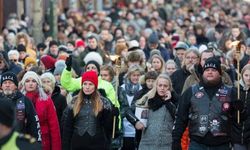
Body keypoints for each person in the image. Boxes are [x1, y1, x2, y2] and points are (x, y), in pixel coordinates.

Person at [172, 57, 237, 150]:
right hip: (197, 144)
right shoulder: (191, 91)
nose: (210, 72)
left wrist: (241, 110)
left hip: (222, 144)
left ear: (220, 73)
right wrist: (176, 140)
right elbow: (180, 118)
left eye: (214, 70)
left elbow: (238, 120)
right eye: (207, 70)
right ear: (203, 73)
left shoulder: (231, 92)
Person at [62, 71, 113, 150]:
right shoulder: (75, 101)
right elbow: (68, 127)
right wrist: (65, 147)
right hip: (77, 144)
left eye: (90, 84)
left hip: (97, 144)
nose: (87, 87)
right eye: (85, 84)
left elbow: (108, 127)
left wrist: (113, 113)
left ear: (95, 86)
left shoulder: (103, 102)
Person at [20, 71, 61, 150]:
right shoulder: (19, 100)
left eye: (33, 81)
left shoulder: (46, 100)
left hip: (43, 142)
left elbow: (54, 126)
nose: (31, 83)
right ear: (24, 84)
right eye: (27, 81)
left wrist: (56, 148)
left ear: (37, 83)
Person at [0, 72, 41, 141]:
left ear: (16, 86)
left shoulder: (24, 100)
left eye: (10, 83)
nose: (7, 85)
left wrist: (35, 143)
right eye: (5, 83)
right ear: (1, 86)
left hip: (20, 142)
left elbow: (33, 124)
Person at [231, 64, 250, 150]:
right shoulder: (235, 90)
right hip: (237, 135)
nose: (249, 78)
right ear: (242, 75)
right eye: (246, 75)